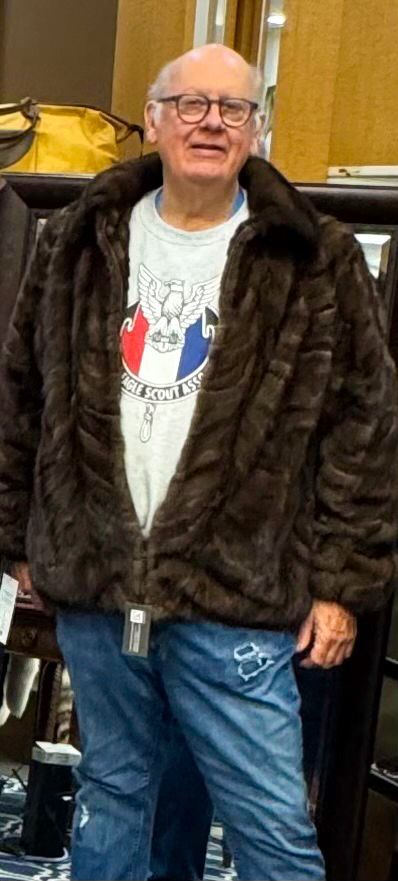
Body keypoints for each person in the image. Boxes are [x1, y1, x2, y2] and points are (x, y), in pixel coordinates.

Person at [0, 42, 397, 881]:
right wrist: (20, 537)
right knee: (114, 799)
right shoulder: (77, 241)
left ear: (257, 128)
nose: (210, 122)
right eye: (190, 104)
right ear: (153, 120)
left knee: (273, 829)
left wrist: (341, 586)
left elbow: (363, 430)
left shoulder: (315, 257)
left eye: (232, 108)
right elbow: (22, 395)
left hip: (239, 598)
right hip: (98, 587)